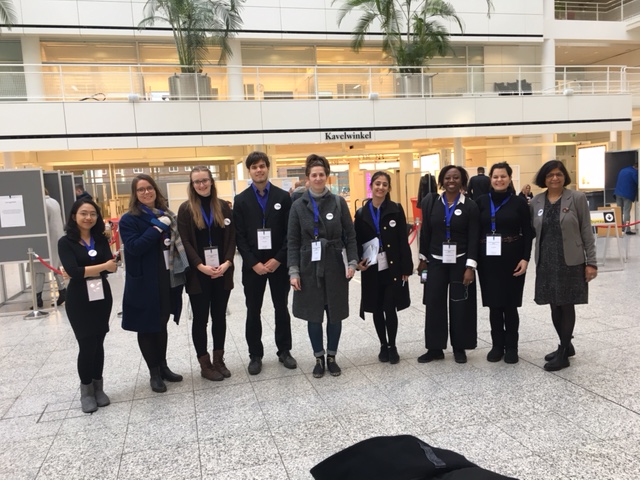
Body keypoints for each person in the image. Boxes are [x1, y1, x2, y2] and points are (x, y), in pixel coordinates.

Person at [288, 154, 358, 378]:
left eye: (321, 174)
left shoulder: (338, 202)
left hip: (335, 264)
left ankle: (332, 357)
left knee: (335, 313)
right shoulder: (298, 206)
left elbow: (350, 234)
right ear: (307, 178)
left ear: (327, 177)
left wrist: (352, 262)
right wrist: (294, 271)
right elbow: (293, 241)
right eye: (313, 175)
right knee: (314, 314)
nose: (318, 178)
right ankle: (318, 358)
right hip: (309, 266)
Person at [119, 174, 187, 393]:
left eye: (149, 188)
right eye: (141, 190)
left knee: (162, 322)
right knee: (147, 327)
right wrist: (156, 228)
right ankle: (154, 372)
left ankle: (164, 366)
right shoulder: (129, 219)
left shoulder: (168, 215)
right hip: (144, 282)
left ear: (156, 190)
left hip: (167, 278)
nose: (146, 192)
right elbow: (134, 247)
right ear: (135, 194)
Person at [530, 160, 597, 372]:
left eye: (558, 174)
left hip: (570, 260)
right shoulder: (536, 202)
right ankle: (566, 345)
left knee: (566, 304)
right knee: (553, 303)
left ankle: (563, 353)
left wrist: (592, 262)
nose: (554, 178)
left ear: (564, 176)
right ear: (544, 178)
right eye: (550, 175)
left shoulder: (576, 198)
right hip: (546, 262)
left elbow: (586, 230)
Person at [233, 151, 297, 375]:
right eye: (254, 167)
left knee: (282, 308)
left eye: (262, 166)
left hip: (277, 265)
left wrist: (278, 259)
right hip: (253, 267)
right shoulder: (240, 200)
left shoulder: (282, 198)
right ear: (249, 171)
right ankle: (255, 355)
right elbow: (239, 236)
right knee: (253, 311)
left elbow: (291, 233)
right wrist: (253, 263)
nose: (258, 170)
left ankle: (284, 351)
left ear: (267, 168)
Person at [57, 198, 117, 413]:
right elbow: (74, 271)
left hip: (101, 295)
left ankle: (99, 387)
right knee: (86, 344)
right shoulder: (65, 242)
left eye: (92, 214)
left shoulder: (100, 239)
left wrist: (95, 268)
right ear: (74, 216)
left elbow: (113, 268)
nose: (88, 217)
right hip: (79, 299)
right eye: (83, 213)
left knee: (99, 342)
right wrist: (102, 266)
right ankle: (86, 392)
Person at [178, 166, 236, 382]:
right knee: (200, 319)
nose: (201, 185)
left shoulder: (222, 207)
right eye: (197, 182)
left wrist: (228, 262)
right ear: (192, 185)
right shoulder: (186, 210)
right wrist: (199, 265)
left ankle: (219, 360)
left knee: (219, 317)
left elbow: (231, 237)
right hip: (198, 275)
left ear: (211, 182)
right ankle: (205, 364)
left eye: (205, 180)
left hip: (222, 271)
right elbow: (184, 241)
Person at [417, 165, 480, 364]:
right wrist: (422, 259)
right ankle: (434, 348)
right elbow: (426, 232)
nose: (451, 181)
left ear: (462, 181)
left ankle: (459, 347)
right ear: (441, 180)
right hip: (435, 261)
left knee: (460, 304)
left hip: (460, 261)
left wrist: (470, 267)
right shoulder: (432, 202)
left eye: (456, 177)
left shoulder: (470, 205)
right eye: (447, 177)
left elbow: (474, 237)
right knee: (434, 303)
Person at [476, 162, 533, 364]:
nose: (499, 180)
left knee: (510, 305)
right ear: (490, 179)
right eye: (495, 177)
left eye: (503, 176)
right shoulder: (481, 201)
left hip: (513, 258)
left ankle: (512, 347)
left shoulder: (519, 203)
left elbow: (528, 232)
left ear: (509, 178)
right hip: (487, 261)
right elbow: (475, 232)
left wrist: (526, 258)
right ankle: (497, 345)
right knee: (494, 305)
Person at [354, 171, 413, 364]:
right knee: (377, 308)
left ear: (388, 188)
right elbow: (356, 240)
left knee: (390, 307)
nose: (381, 187)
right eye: (377, 184)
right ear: (371, 186)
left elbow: (403, 241)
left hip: (392, 268)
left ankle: (393, 345)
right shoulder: (362, 213)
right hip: (371, 268)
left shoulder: (396, 209)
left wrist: (406, 267)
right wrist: (357, 261)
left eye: (385, 184)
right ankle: (383, 345)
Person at [30, 188, 66, 308]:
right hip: (56, 238)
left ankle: (37, 297)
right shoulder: (54, 201)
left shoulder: (41, 204)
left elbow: (38, 223)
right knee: (56, 266)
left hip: (45, 240)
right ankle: (62, 290)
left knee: (38, 269)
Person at [613, 160, 638, 235]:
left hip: (617, 193)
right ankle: (627, 229)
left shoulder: (623, 170)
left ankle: (619, 228)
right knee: (626, 211)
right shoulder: (634, 172)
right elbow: (638, 182)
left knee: (619, 211)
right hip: (627, 194)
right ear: (637, 167)